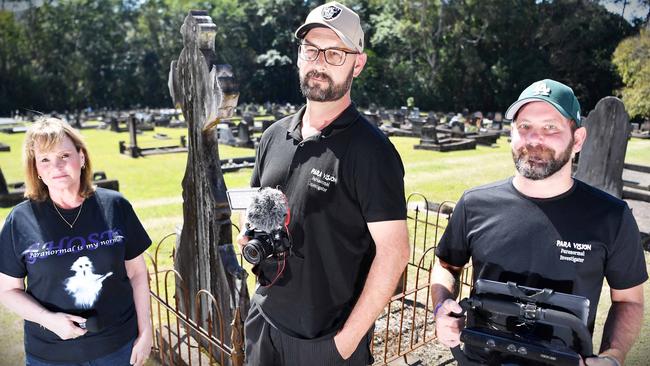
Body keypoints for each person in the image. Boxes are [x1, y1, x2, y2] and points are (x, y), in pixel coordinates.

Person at [238, 2, 410, 365]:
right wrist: (249, 234)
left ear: (357, 64)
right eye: (311, 50)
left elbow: (394, 253)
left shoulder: (371, 152)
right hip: (265, 320)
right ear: (299, 57)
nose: (319, 62)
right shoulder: (273, 135)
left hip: (327, 339)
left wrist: (344, 344)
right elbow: (256, 209)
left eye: (335, 53)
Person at [430, 79, 647, 365]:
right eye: (525, 127)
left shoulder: (611, 217)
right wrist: (441, 307)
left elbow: (628, 300)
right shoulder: (474, 204)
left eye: (550, 127)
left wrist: (612, 356)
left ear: (578, 139)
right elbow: (446, 266)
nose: (534, 139)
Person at [0, 118, 153, 366]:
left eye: (64, 155)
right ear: (36, 168)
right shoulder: (20, 219)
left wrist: (146, 330)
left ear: (81, 158)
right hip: (50, 356)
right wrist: (48, 319)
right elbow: (7, 290)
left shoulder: (115, 206)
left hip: (117, 348)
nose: (56, 166)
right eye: (45, 159)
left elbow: (137, 273)